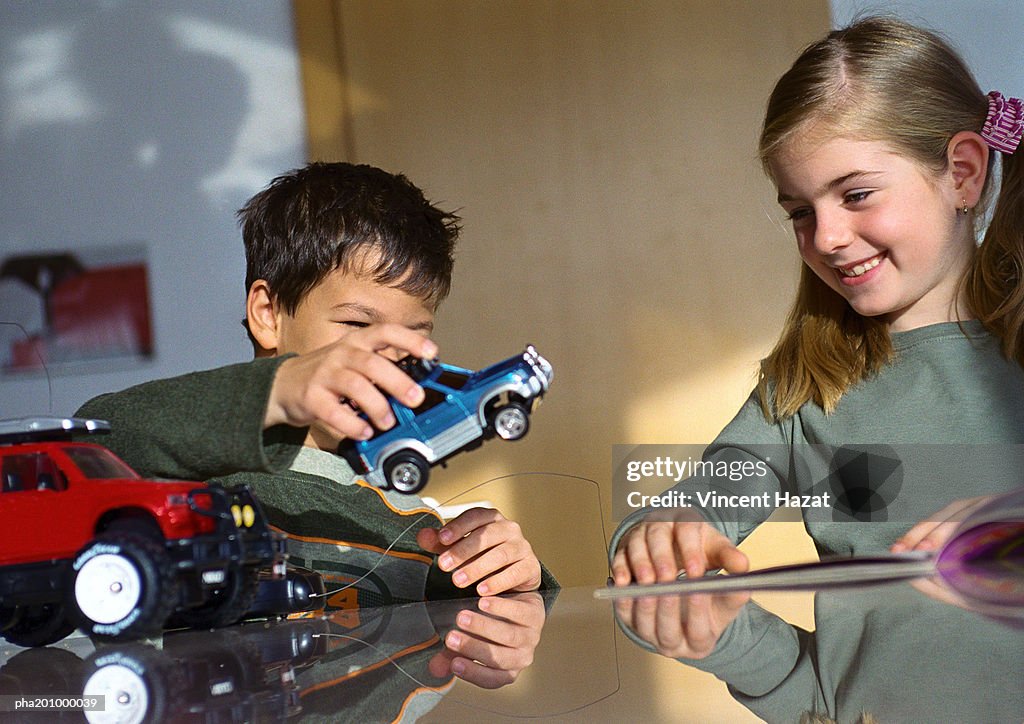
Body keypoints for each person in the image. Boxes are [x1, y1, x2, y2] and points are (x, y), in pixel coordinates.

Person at [610, 16, 1024, 587]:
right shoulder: (805, 388)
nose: (824, 237)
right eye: (800, 211)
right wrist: (666, 532)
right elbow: (695, 508)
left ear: (962, 173)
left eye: (855, 194)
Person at [77, 162, 556, 616]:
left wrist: (509, 583)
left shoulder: (418, 532)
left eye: (413, 335)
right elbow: (88, 444)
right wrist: (280, 389)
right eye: (354, 323)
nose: (386, 356)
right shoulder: (187, 471)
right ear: (268, 314)